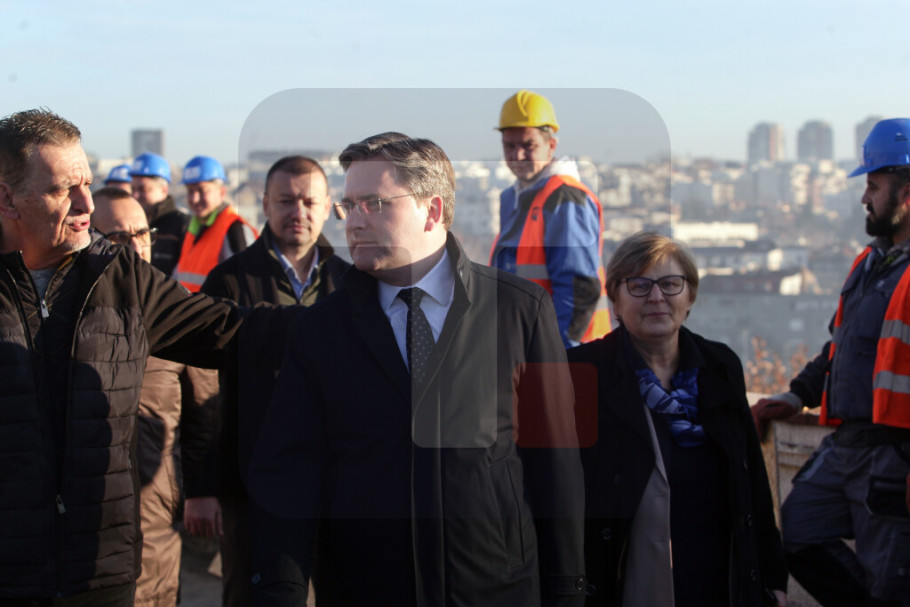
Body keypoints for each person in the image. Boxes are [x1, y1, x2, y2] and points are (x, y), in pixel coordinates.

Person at [247, 133, 586, 606]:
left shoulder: (521, 310)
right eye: (348, 206)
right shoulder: (317, 332)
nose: (353, 222)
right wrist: (281, 593)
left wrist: (567, 590)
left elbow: (557, 466)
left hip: (496, 590)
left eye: (373, 204)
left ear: (432, 210)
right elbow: (288, 477)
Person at [0, 108, 281, 605]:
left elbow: (231, 330)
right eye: (63, 189)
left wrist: (355, 318)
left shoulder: (119, 277)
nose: (86, 203)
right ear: (7, 199)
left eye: (87, 184)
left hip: (102, 574)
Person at [568, 231, 788, 606]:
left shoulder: (720, 366)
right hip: (621, 581)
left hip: (717, 577)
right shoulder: (581, 373)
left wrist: (772, 576)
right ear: (615, 300)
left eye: (670, 284)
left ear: (690, 296)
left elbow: (751, 480)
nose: (657, 297)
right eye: (639, 286)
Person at [752, 117, 910, 607]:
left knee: (890, 581)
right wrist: (796, 394)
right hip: (850, 445)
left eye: (874, 186)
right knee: (798, 532)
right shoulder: (872, 263)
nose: (864, 197)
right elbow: (840, 348)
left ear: (906, 194)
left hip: (895, 453)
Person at [199, 156, 349, 607]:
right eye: (285, 201)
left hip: (336, 480)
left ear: (328, 207)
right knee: (251, 594)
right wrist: (204, 485)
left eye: (309, 201)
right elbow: (204, 392)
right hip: (251, 481)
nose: (297, 211)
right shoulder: (228, 281)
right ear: (265, 204)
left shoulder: (351, 283)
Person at [91, 188, 222, 607]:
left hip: (155, 511)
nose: (135, 247)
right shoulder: (62, 316)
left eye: (142, 234)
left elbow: (204, 414)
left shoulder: (176, 312)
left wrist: (201, 490)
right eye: (118, 237)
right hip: (84, 514)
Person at [490, 89, 610, 347]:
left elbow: (579, 290)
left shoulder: (565, 198)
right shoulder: (514, 198)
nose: (518, 155)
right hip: (525, 347)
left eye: (528, 146)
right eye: (509, 146)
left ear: (551, 145)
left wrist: (556, 356)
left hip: (569, 354)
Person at [174, 155, 257, 292]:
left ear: (222, 192)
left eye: (202, 191)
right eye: (190, 191)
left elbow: (248, 287)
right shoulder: (193, 227)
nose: (194, 199)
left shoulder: (234, 229)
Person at [130, 151, 187, 276]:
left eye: (143, 189)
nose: (135, 195)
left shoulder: (181, 225)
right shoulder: (130, 226)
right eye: (133, 189)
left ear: (163, 190)